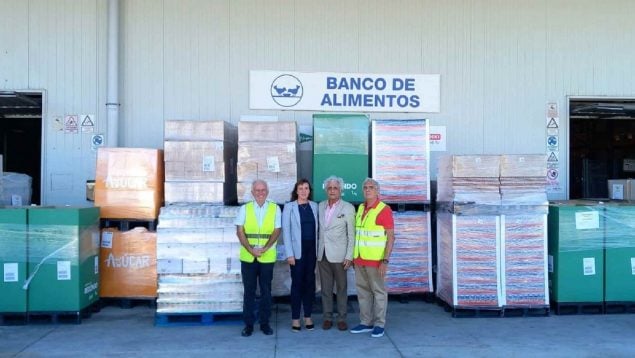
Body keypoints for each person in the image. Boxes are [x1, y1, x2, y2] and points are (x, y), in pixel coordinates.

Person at [349, 178, 395, 338]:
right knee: (363, 292)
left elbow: (391, 237)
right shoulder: (361, 208)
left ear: (377, 191)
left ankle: (379, 324)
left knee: (379, 292)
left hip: (375, 261)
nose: (367, 190)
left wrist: (385, 260)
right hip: (360, 259)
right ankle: (365, 322)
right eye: (365, 188)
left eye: (371, 187)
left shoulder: (384, 209)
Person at [236, 179, 281, 337]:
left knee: (266, 292)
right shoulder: (245, 209)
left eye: (263, 190)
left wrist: (265, 248)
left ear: (267, 192)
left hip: (266, 256)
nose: (260, 193)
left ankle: (264, 323)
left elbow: (277, 230)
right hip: (248, 257)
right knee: (249, 292)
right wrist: (250, 249)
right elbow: (240, 231)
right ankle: (248, 325)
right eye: (257, 190)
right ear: (252, 192)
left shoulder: (275, 208)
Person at [317, 175, 355, 331]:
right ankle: (327, 317)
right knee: (325, 289)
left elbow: (351, 234)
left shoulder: (348, 207)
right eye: (329, 188)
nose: (332, 190)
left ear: (340, 190)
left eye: (335, 188)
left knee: (341, 288)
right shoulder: (320, 206)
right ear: (326, 190)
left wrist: (349, 256)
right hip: (322, 254)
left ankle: (341, 318)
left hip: (340, 256)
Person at [282, 178, 319, 332]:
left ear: (309, 191)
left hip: (312, 251)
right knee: (297, 284)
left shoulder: (315, 206)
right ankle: (296, 318)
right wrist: (289, 254)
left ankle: (308, 316)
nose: (304, 191)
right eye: (301, 189)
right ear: (296, 191)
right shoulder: (289, 207)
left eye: (306, 188)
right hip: (297, 252)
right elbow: (286, 231)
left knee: (310, 284)